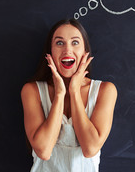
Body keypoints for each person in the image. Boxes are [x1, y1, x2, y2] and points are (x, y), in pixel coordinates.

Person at [21, 19, 117, 172]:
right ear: (50, 51)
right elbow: (44, 151)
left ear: (85, 51)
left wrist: (74, 92)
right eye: (59, 43)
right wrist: (59, 94)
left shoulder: (105, 90)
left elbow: (90, 149)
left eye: (75, 43)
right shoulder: (32, 91)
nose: (67, 50)